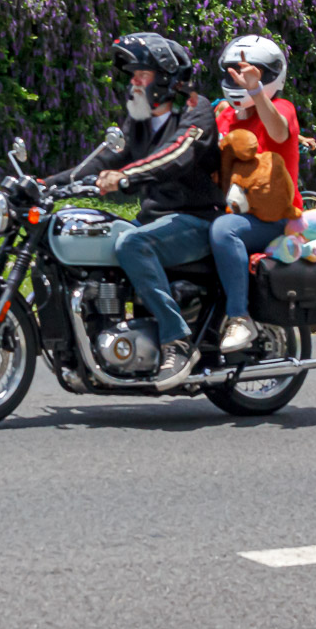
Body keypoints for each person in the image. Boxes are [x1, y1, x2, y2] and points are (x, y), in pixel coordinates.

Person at [93, 32, 223, 389]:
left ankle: (176, 340)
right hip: (156, 220)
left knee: (133, 244)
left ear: (166, 78)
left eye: (143, 74)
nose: (134, 82)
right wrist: (46, 183)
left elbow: (177, 155)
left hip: (198, 220)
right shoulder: (139, 120)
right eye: (132, 75)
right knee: (102, 237)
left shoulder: (196, 108)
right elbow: (104, 159)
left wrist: (125, 177)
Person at [209, 35, 300, 354]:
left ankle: (240, 318)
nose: (240, 79)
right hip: (229, 209)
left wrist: (256, 91)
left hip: (272, 218)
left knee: (224, 230)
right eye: (234, 72)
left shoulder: (281, 108)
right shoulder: (224, 116)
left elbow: (278, 131)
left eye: (251, 72)